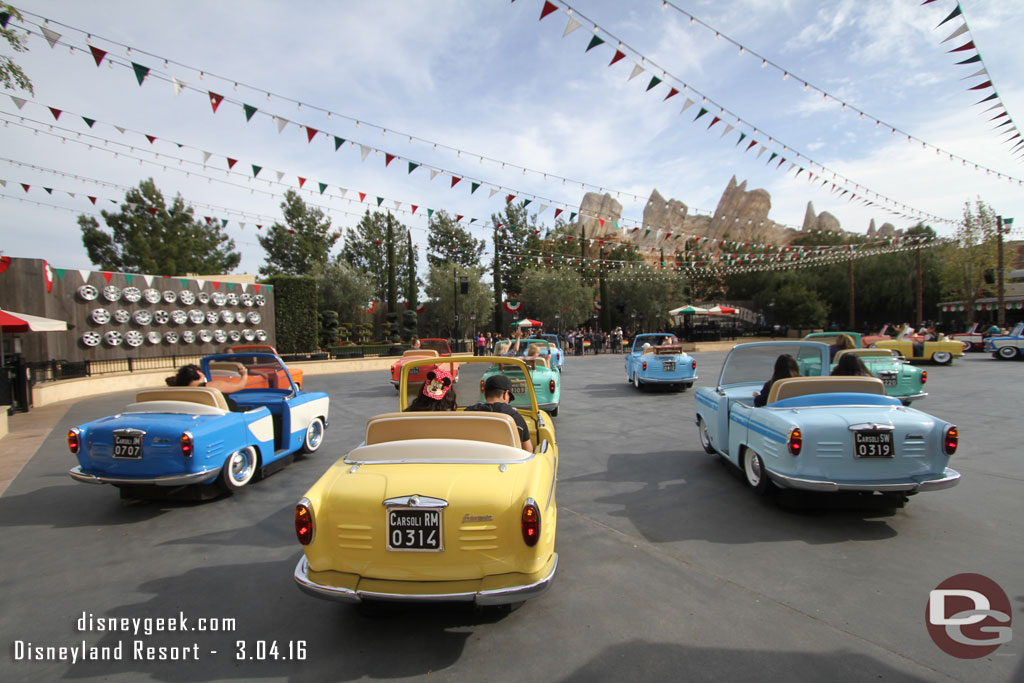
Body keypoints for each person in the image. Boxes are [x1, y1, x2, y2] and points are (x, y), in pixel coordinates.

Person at [465, 374, 533, 452]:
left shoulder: (468, 414)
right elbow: (528, 451)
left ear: (484, 394)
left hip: (473, 462)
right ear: (505, 394)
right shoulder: (515, 418)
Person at [166, 362, 247, 394]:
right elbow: (240, 386)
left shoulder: (179, 391)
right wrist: (244, 375)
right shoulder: (214, 386)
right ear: (198, 373)